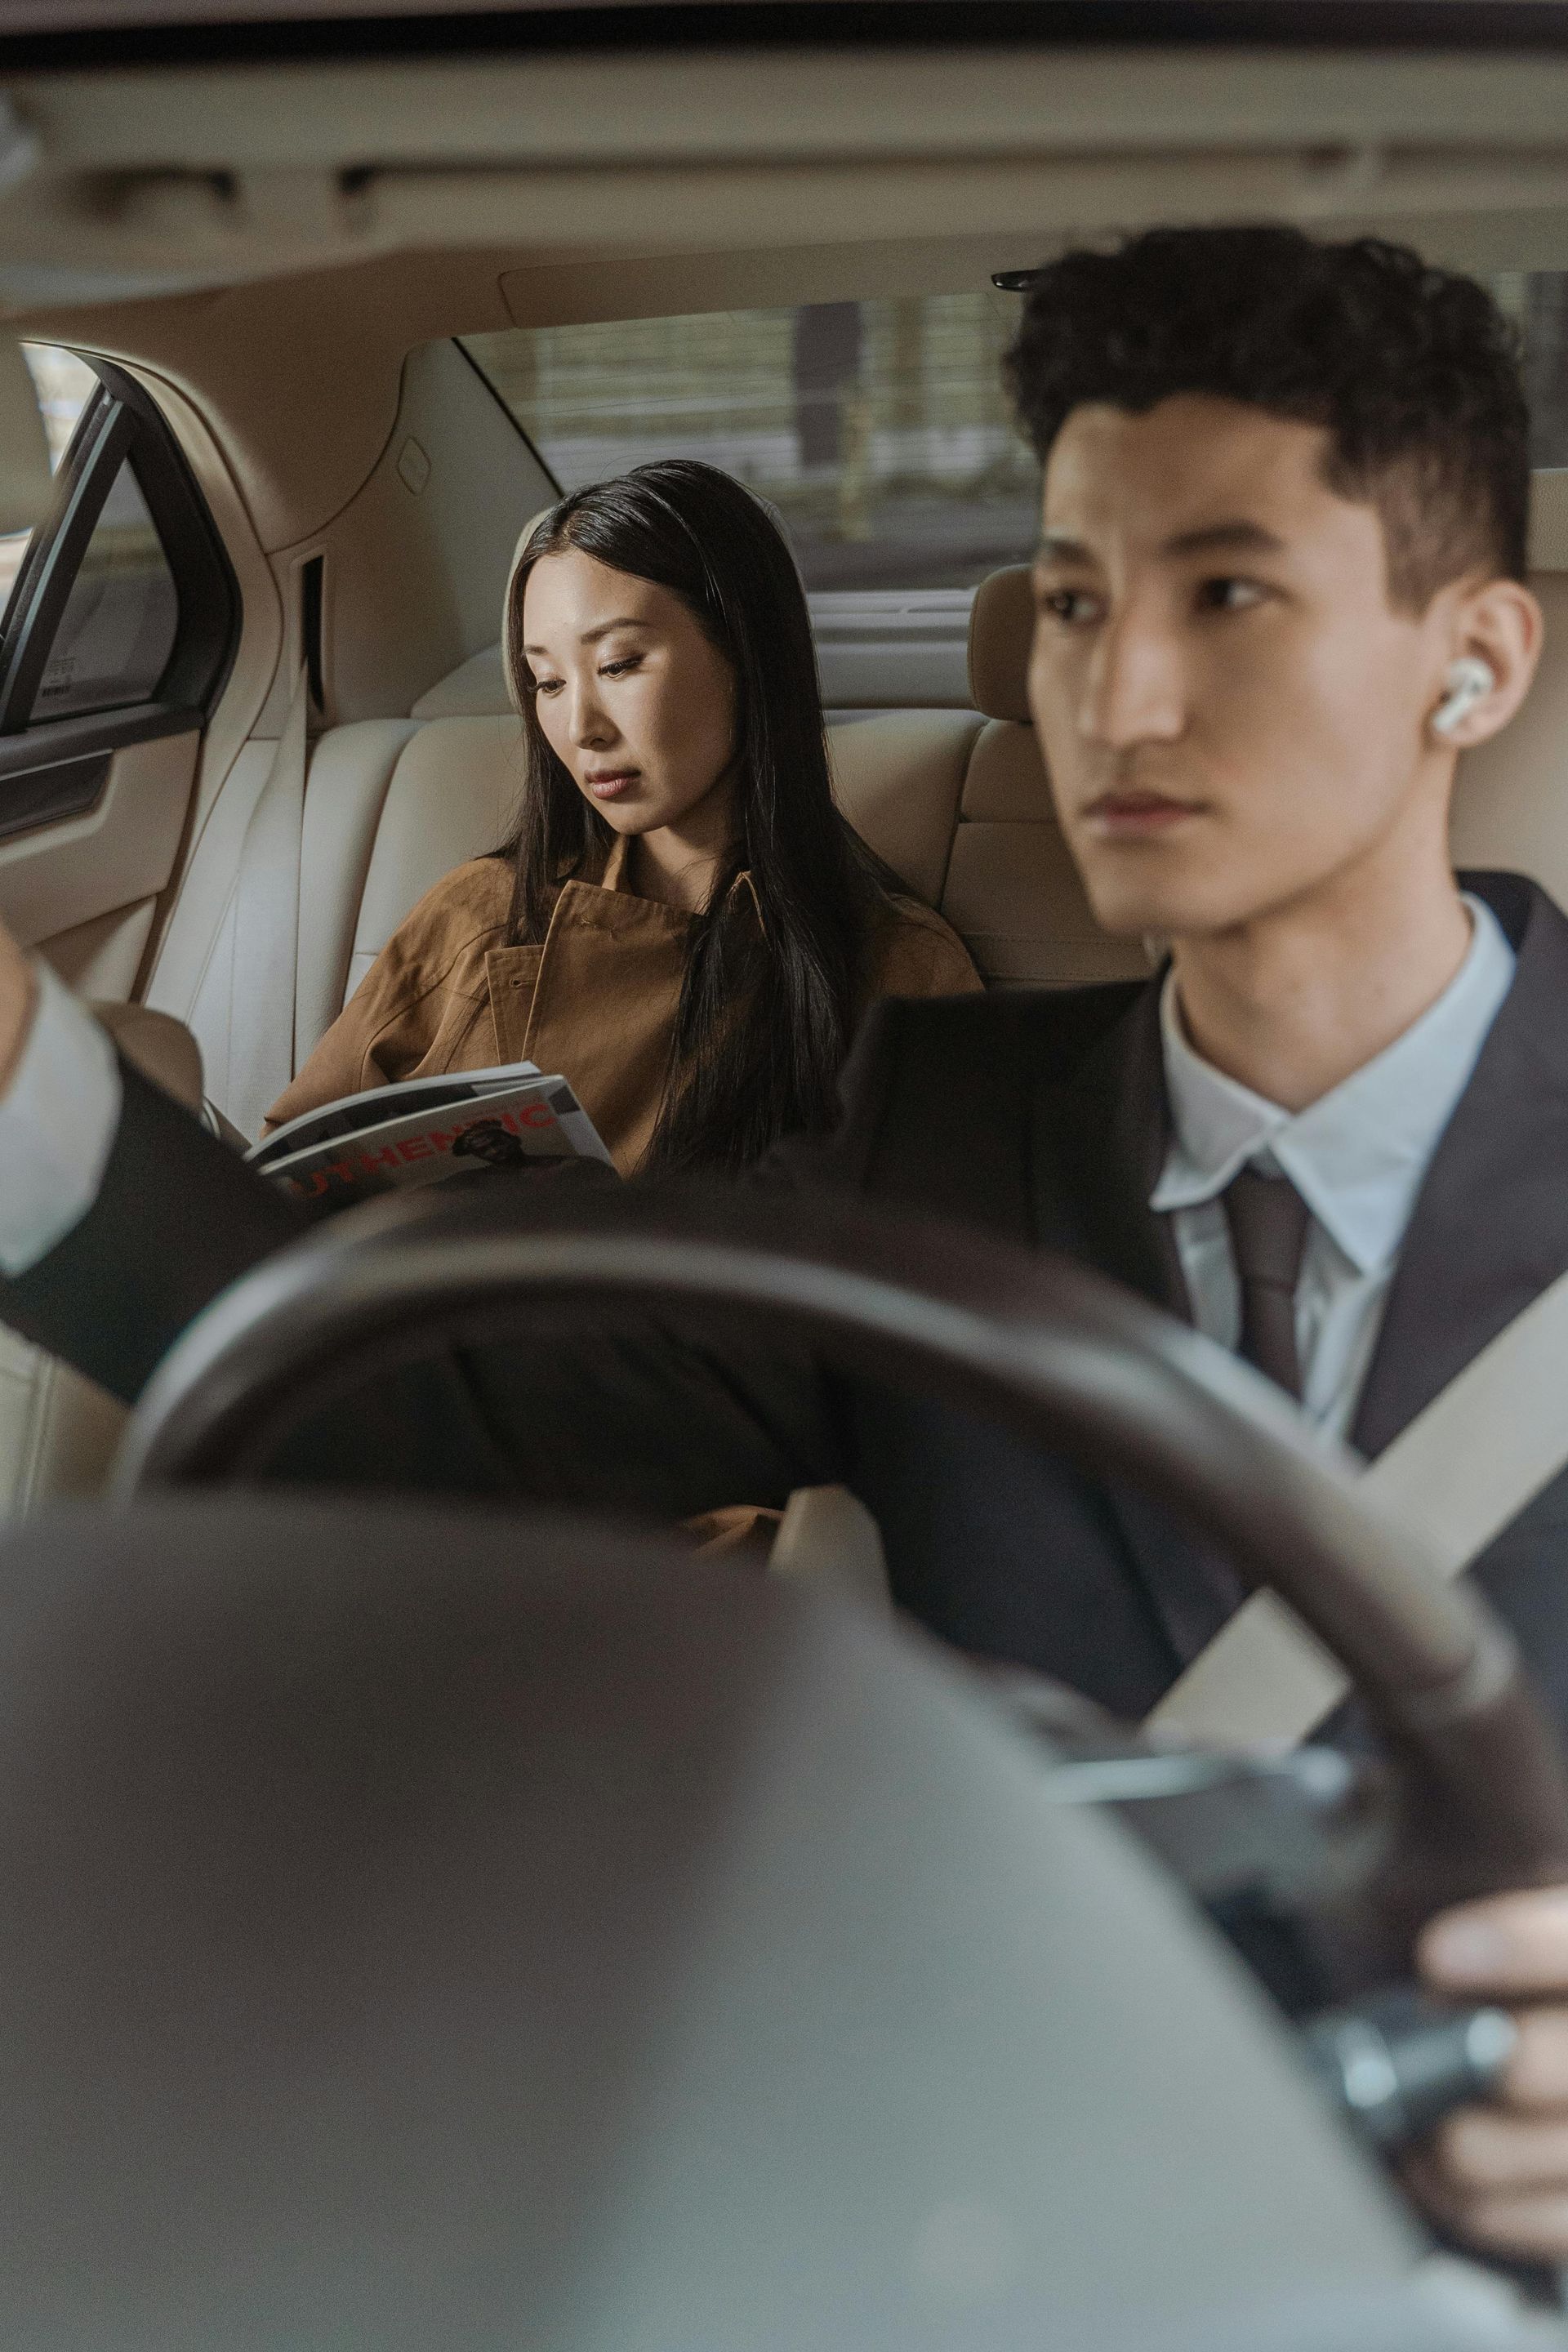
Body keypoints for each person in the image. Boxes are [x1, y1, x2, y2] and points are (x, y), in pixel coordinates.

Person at [4, 225, 1568, 2262]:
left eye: (1230, 591)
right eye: (1075, 599)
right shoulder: (923, 1126)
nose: (1115, 688)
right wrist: (30, 1087)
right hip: (986, 2186)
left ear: (1475, 657)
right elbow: (428, 1403)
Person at [261, 459, 979, 1175]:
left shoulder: (897, 966)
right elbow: (290, 1171)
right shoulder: (477, 916)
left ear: (746, 651)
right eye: (546, 681)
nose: (580, 727)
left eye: (619, 664)